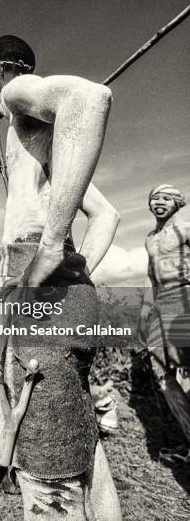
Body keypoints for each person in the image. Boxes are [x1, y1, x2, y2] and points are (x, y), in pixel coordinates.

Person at [0, 35, 122, 520]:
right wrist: (76, 274)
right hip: (53, 282)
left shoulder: (16, 93)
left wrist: (52, 247)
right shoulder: (39, 139)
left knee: (45, 448)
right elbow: (107, 216)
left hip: (34, 268)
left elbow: (89, 97)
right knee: (74, 429)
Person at [141, 183, 190, 464]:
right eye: (155, 197)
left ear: (177, 202)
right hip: (161, 305)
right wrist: (144, 311)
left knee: (187, 368)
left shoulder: (185, 228)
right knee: (163, 375)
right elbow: (150, 276)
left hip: (185, 295)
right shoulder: (150, 238)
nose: (159, 202)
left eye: (166, 197)